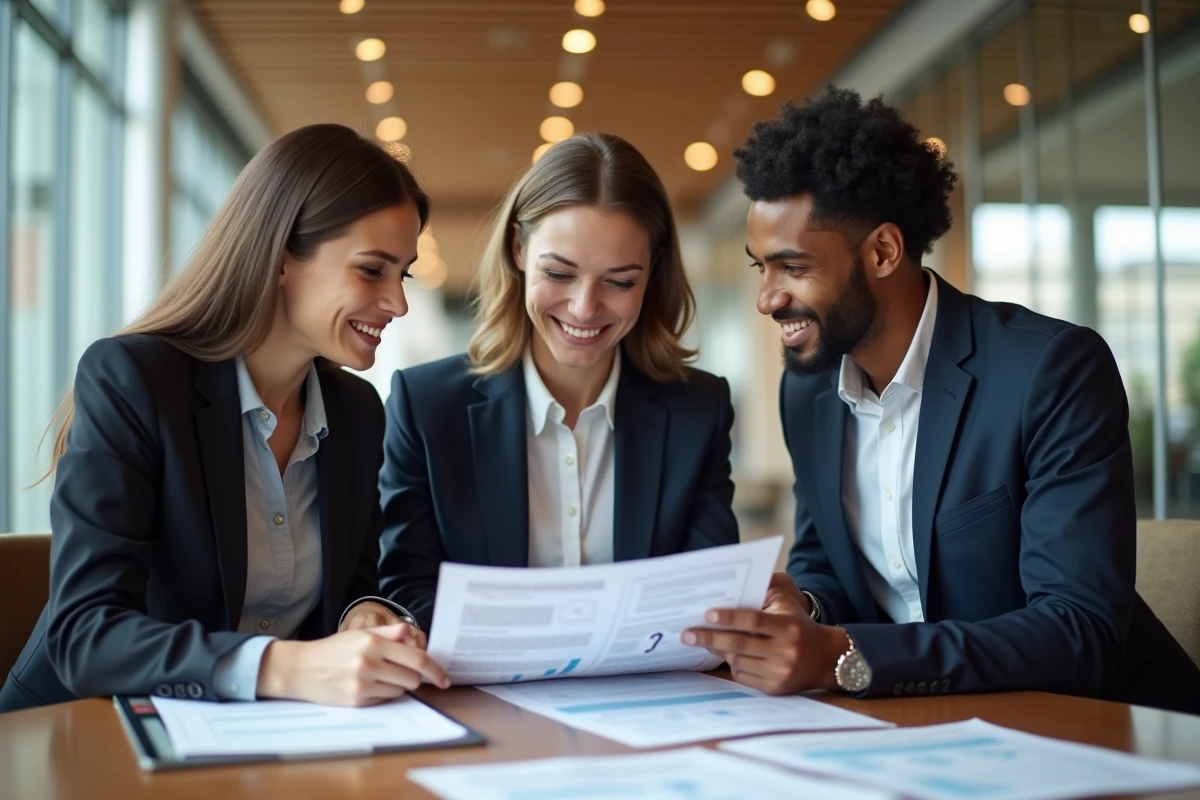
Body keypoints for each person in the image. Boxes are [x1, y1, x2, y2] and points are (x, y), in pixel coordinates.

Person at [682, 88, 1200, 715]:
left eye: (792, 268)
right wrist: (807, 610)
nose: (767, 298)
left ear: (882, 252)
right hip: (914, 724)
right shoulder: (809, 390)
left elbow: (1078, 631)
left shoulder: (1051, 370)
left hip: (1100, 728)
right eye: (759, 267)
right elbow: (825, 559)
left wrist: (841, 654)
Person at [0, 124, 450, 713]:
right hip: (87, 731)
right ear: (282, 257)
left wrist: (363, 615)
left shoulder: (357, 412)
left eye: (404, 273)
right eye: (372, 270)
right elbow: (84, 636)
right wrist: (284, 664)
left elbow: (355, 584)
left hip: (255, 740)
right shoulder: (134, 380)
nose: (398, 302)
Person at [378, 132, 739, 630]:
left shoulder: (699, 409)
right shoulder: (426, 405)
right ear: (518, 249)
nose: (585, 308)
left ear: (652, 273)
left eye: (619, 281)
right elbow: (404, 590)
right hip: (482, 696)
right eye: (560, 273)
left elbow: (705, 594)